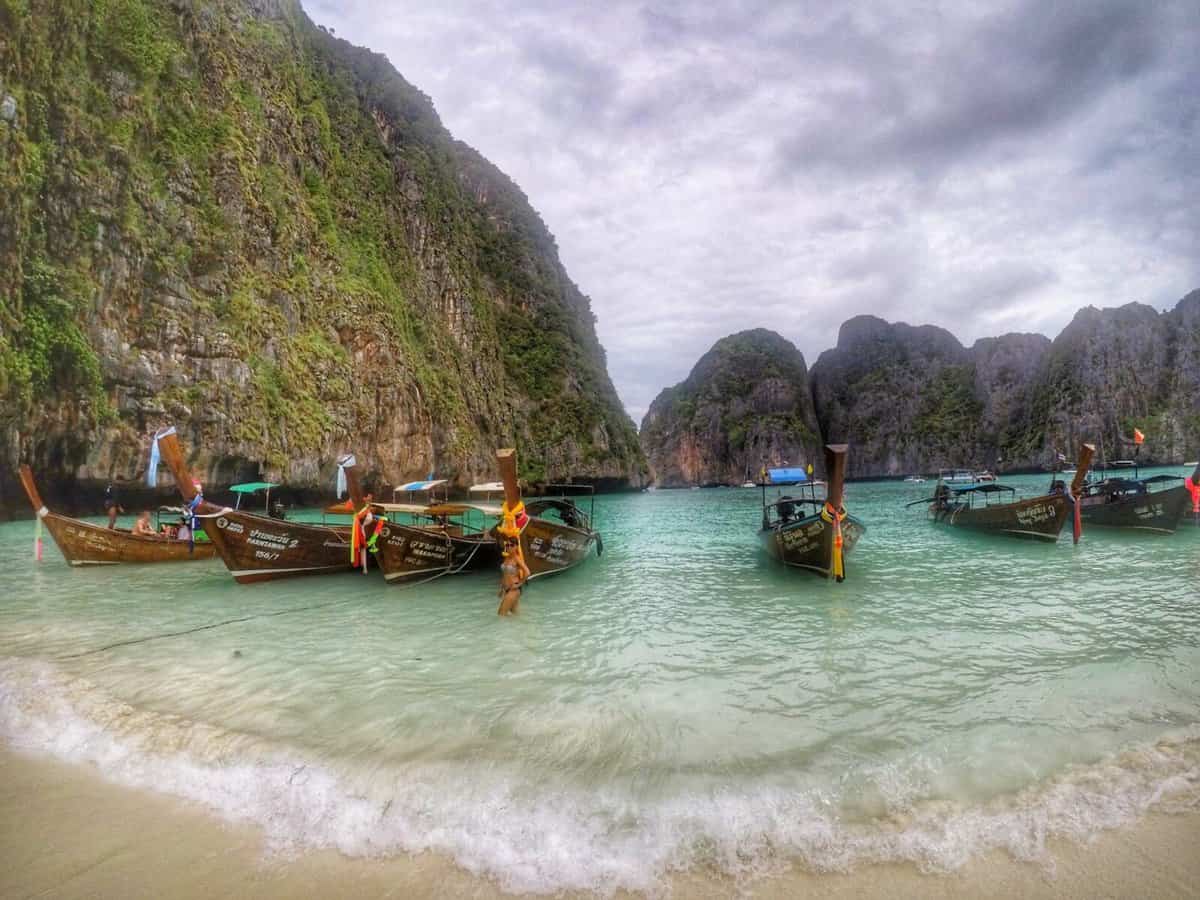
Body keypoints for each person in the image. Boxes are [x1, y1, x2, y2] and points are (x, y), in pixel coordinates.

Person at [497, 537, 530, 616]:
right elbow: (505, 574)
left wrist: (519, 584)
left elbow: (527, 572)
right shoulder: (506, 558)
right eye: (507, 545)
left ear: (516, 546)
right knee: (515, 614)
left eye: (511, 545)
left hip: (514, 590)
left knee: (501, 614)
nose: (509, 547)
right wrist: (502, 589)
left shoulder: (517, 559)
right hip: (507, 590)